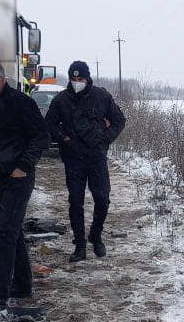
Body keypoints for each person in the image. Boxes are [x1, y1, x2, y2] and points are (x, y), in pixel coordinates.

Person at [0, 60, 50, 310]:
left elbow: (41, 136)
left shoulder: (20, 103)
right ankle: (23, 285)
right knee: (11, 231)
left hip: (18, 178)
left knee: (4, 231)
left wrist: (23, 166)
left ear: (1, 81)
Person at [45, 60, 126, 262]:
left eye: (81, 78)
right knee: (75, 201)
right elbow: (50, 124)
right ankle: (79, 245)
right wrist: (64, 138)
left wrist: (106, 138)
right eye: (74, 79)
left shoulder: (101, 96)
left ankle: (96, 235)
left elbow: (119, 120)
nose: (77, 82)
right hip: (73, 159)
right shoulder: (61, 100)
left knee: (102, 198)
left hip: (97, 157)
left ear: (87, 78)